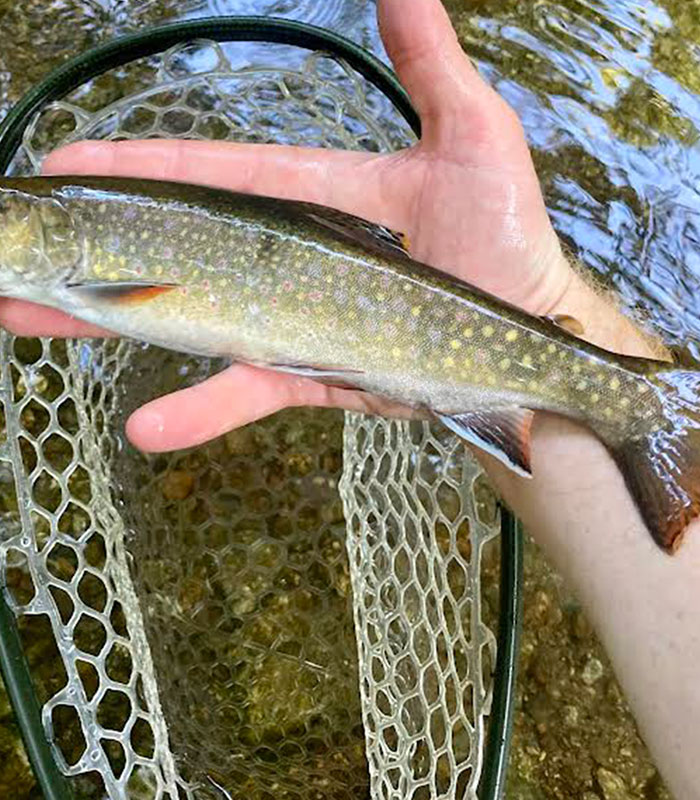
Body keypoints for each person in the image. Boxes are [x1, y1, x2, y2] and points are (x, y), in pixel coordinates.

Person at [1, 0, 697, 796]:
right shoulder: (83, 256)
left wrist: (548, 311)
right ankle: (628, 400)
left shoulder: (94, 261)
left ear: (49, 229)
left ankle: (635, 403)